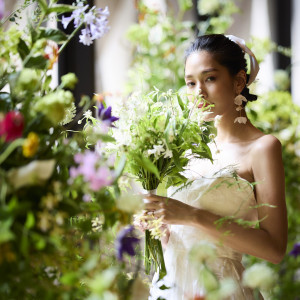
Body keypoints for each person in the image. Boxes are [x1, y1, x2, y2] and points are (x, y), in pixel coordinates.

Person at [144, 34, 287, 299]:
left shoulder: (263, 147)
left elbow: (274, 249)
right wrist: (158, 224)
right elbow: (177, 238)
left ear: (239, 81)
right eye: (190, 83)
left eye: (209, 78)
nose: (198, 92)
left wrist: (191, 215)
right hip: (172, 287)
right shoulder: (183, 150)